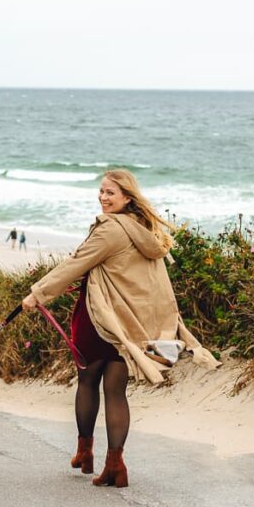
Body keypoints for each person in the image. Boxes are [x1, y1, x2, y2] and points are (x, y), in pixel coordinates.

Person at [21, 169, 219, 488]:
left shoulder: (110, 230)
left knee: (87, 381)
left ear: (127, 197)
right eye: (101, 191)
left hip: (99, 317)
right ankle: (115, 464)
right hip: (128, 322)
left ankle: (86, 452)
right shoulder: (143, 229)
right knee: (115, 391)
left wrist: (37, 294)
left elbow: (75, 264)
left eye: (110, 193)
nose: (103, 197)